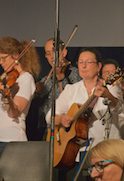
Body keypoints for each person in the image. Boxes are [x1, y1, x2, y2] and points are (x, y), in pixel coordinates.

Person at [46, 47, 123, 181]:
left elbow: (120, 109)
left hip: (104, 150)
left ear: (98, 66)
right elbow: (49, 117)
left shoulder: (110, 86)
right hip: (76, 152)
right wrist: (62, 119)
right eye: (80, 62)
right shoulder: (71, 89)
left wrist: (108, 95)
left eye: (88, 62)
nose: (83, 66)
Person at [0, 36, 41, 176]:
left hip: (9, 141)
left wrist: (6, 96)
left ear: (16, 56)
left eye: (4, 58)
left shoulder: (25, 79)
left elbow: (13, 113)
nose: (1, 62)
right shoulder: (6, 78)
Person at [34, 38, 81, 140]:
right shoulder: (45, 80)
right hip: (48, 130)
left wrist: (61, 79)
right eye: (48, 53)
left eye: (55, 51)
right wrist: (36, 93)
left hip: (69, 129)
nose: (52, 56)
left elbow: (72, 101)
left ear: (64, 53)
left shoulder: (75, 73)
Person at [100, 58, 124, 140]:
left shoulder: (119, 87)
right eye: (107, 73)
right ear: (102, 76)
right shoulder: (98, 90)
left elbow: (119, 108)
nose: (110, 75)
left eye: (113, 72)